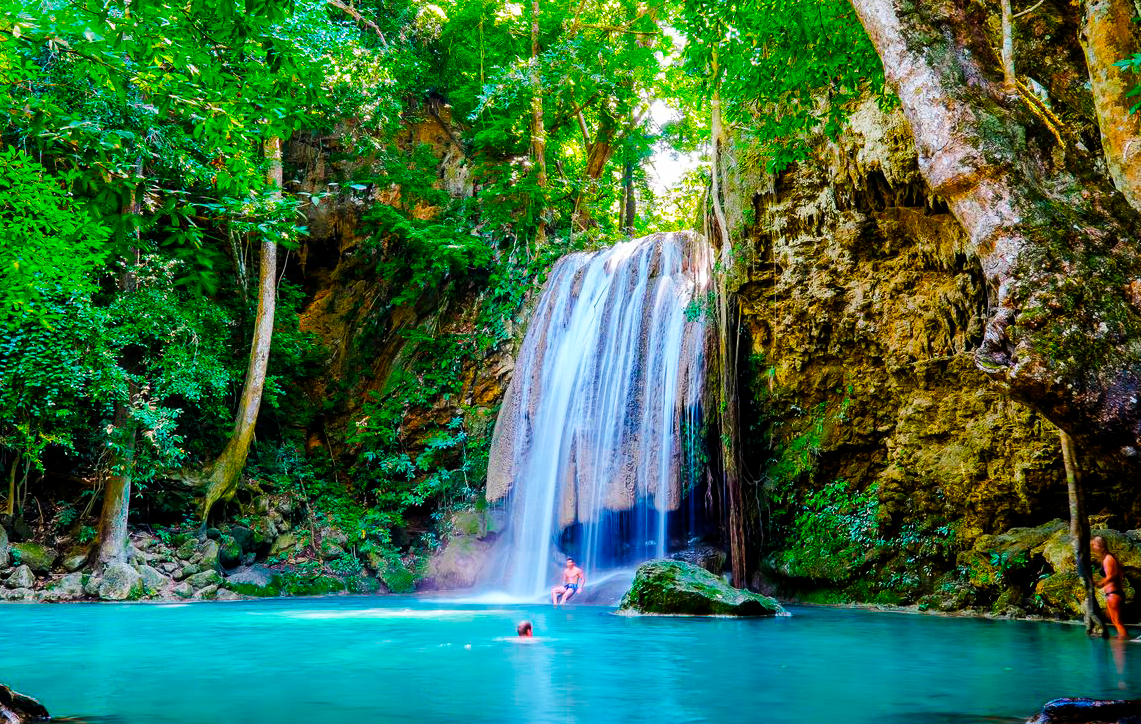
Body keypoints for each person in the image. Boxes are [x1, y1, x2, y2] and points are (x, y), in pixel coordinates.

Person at [1092, 535, 1129, 638]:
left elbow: (1111, 576)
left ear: (1101, 546)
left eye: (1094, 545)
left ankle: (1122, 644)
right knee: (1113, 619)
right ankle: (1122, 642)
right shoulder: (1106, 558)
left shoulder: (1108, 558)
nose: (1092, 547)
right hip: (1111, 594)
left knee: (1117, 622)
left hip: (1114, 594)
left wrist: (1100, 583)